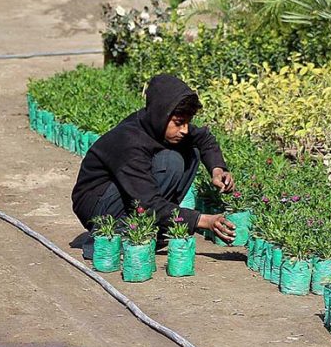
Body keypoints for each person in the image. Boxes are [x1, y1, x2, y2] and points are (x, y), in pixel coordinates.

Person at [72, 74, 236, 259]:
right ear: (161, 114)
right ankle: (108, 237)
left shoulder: (159, 125)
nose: (185, 129)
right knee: (170, 162)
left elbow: (205, 139)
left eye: (187, 122)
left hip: (129, 193)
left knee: (190, 152)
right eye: (179, 123)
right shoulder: (129, 141)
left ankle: (145, 228)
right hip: (97, 203)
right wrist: (203, 220)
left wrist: (217, 170)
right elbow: (148, 202)